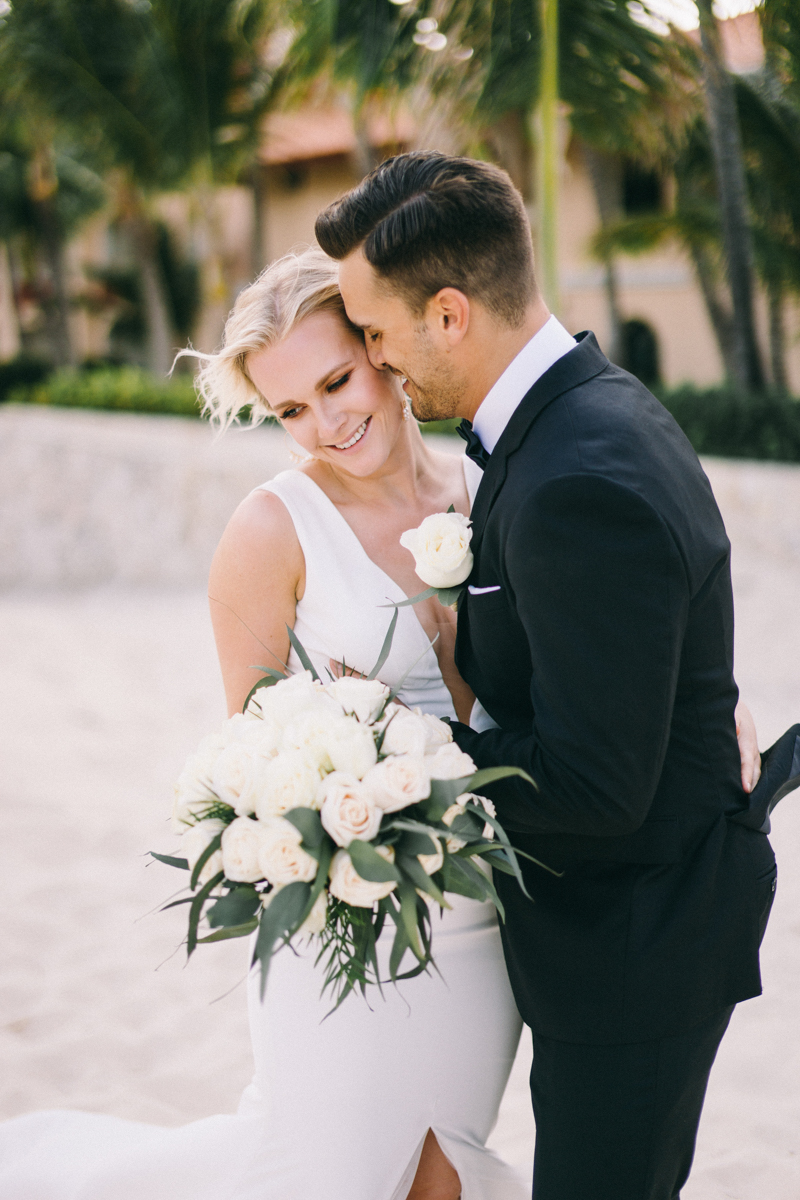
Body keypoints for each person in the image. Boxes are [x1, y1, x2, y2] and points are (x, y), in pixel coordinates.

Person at [0, 247, 528, 1200]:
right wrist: (348, 761)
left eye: (337, 381)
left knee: (444, 1171)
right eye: (291, 408)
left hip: (483, 915)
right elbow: (259, 765)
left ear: (382, 350)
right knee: (320, 1173)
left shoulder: (488, 496)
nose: (326, 424)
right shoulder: (269, 531)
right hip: (348, 917)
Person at [314, 151, 775, 1200]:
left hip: (634, 941)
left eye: (376, 334)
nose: (376, 364)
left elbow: (592, 787)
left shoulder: (574, 476)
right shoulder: (573, 413)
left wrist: (403, 761)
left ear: (446, 315)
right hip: (628, 916)